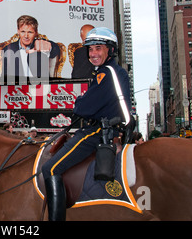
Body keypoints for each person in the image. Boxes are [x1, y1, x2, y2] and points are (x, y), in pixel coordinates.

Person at [42, 27, 132, 221]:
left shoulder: (105, 73)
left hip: (97, 132)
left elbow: (83, 108)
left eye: (98, 48)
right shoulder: (111, 71)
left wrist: (81, 101)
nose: (93, 54)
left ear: (111, 50)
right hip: (104, 129)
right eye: (90, 50)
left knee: (49, 169)